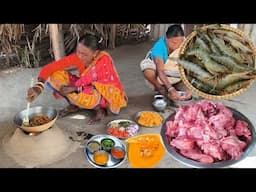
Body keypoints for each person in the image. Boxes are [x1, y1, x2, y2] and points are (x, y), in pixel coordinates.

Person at [27, 34, 128, 125]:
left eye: (84, 54)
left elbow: (91, 79)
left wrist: (75, 87)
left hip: (103, 94)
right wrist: (38, 86)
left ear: (95, 53)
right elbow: (50, 68)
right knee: (55, 75)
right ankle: (75, 104)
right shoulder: (78, 57)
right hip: (82, 85)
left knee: (84, 93)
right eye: (78, 51)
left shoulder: (103, 59)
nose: (79, 56)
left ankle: (100, 109)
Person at [140, 24, 192, 101]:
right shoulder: (159, 47)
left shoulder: (186, 44)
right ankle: (160, 88)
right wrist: (170, 89)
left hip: (175, 74)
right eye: (174, 43)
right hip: (160, 74)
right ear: (166, 39)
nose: (177, 45)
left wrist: (191, 89)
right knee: (147, 69)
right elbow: (160, 71)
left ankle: (176, 88)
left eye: (180, 42)